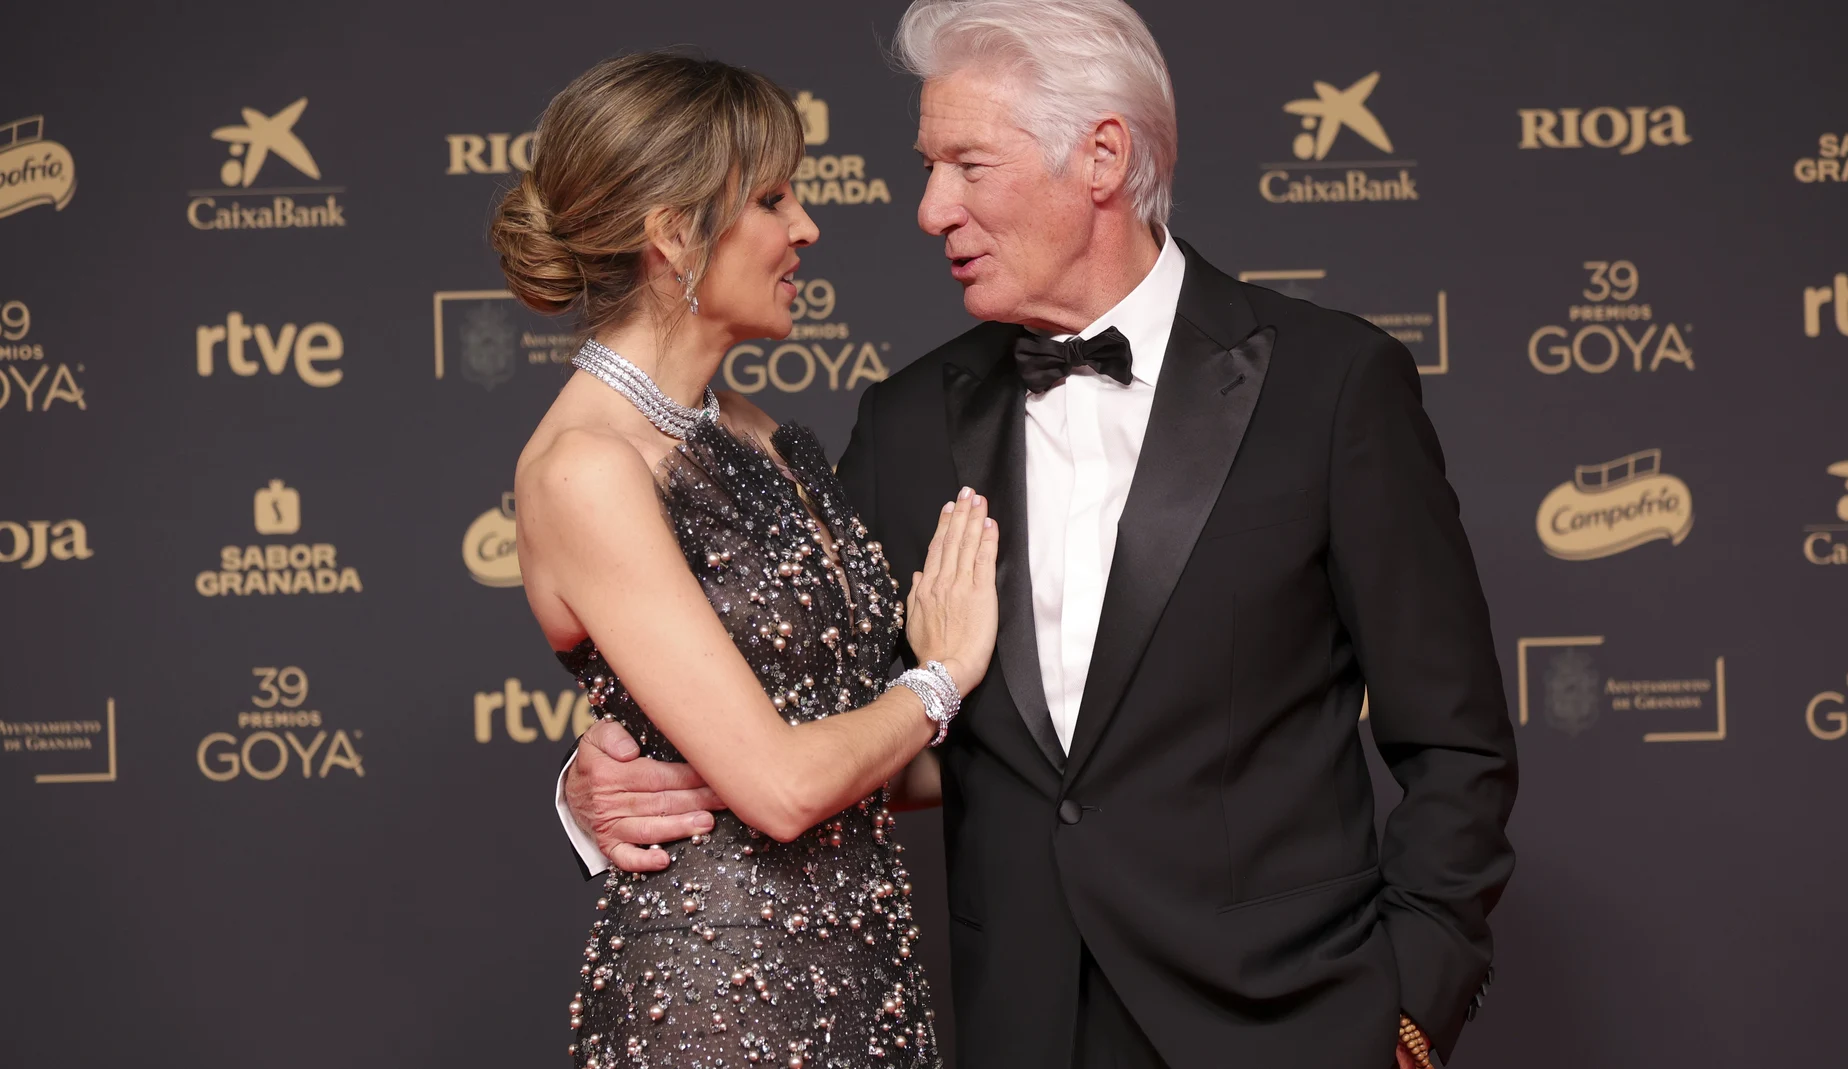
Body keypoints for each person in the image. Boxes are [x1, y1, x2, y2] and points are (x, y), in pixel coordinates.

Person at [559, 2, 1519, 1065]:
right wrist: (601, 776)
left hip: (1286, 1023)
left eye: (966, 165)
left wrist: (1409, 1012)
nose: (929, 209)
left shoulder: (1331, 385)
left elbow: (1455, 740)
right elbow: (801, 693)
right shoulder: (910, 417)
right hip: (1024, 1024)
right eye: (928, 168)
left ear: (1100, 155)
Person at [497, 52, 1001, 1069]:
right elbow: (777, 786)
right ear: (673, 233)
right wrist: (941, 677)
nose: (806, 226)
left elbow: (856, 753)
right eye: (772, 198)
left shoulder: (770, 436)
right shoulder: (584, 470)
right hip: (721, 1006)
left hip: (870, 987)